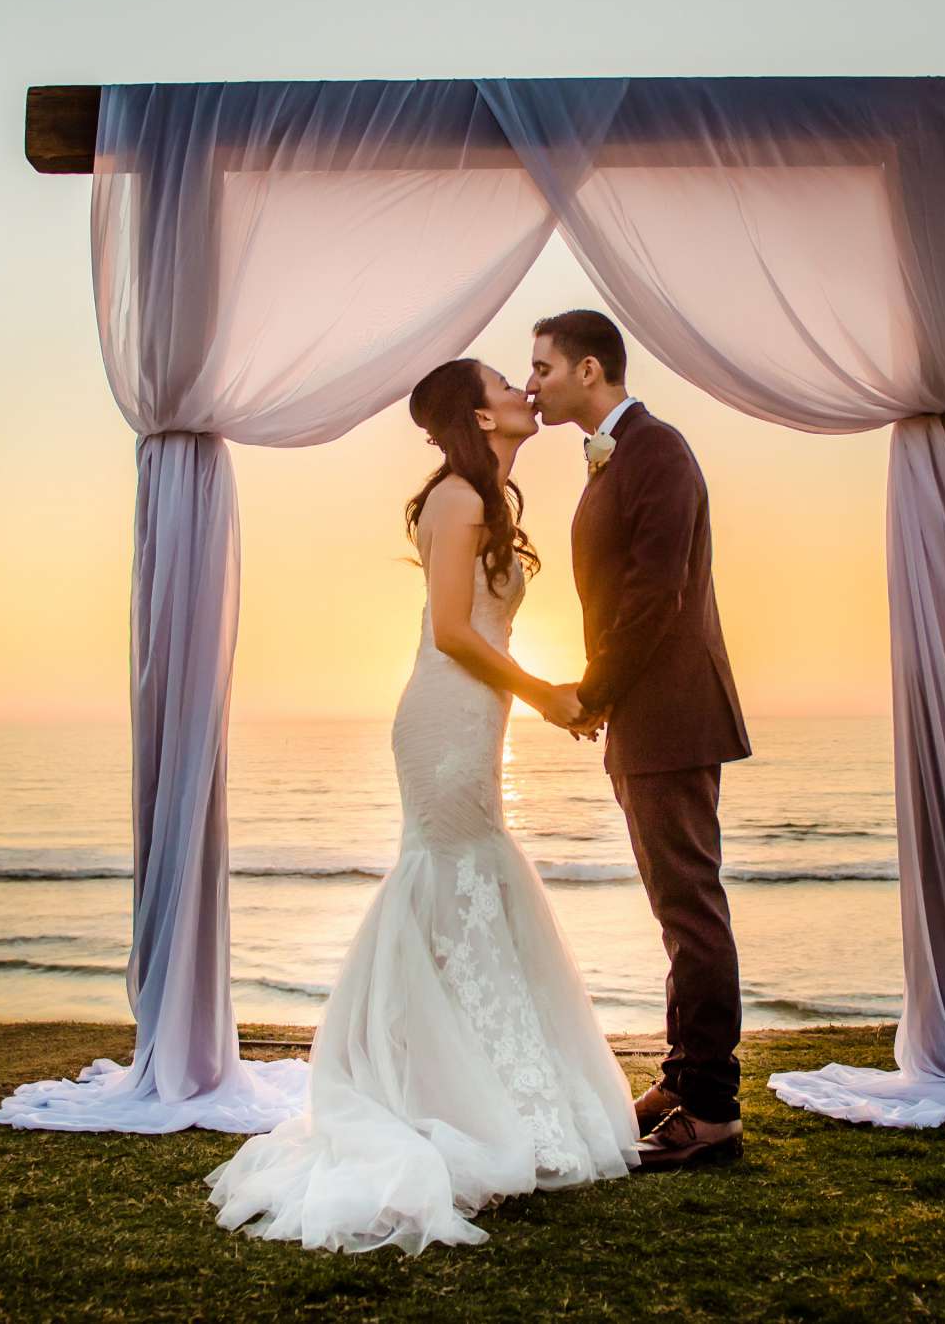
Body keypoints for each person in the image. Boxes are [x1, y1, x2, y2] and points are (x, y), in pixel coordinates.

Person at [204, 358, 636, 1253]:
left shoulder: (484, 499)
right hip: (445, 719)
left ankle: (480, 1082)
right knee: (453, 877)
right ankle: (438, 1095)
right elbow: (450, 631)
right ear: (479, 415)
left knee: (475, 877)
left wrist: (540, 698)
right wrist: (543, 694)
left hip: (476, 717)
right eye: (507, 383)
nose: (525, 388)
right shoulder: (456, 499)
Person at [528, 310, 753, 1172]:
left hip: (671, 713)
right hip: (645, 713)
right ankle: (686, 1076)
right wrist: (604, 699)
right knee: (676, 907)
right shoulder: (621, 454)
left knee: (690, 909)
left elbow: (655, 600)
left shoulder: (657, 451)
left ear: (592, 370)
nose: (534, 381)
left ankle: (714, 1112)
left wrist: (594, 693)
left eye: (543, 366)